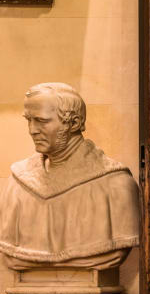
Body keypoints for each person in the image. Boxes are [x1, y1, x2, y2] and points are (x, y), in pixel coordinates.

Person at [0, 83, 140, 270]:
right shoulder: (17, 185)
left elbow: (112, 256)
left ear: (73, 124)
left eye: (41, 121)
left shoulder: (115, 185)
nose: (32, 130)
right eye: (29, 120)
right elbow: (11, 258)